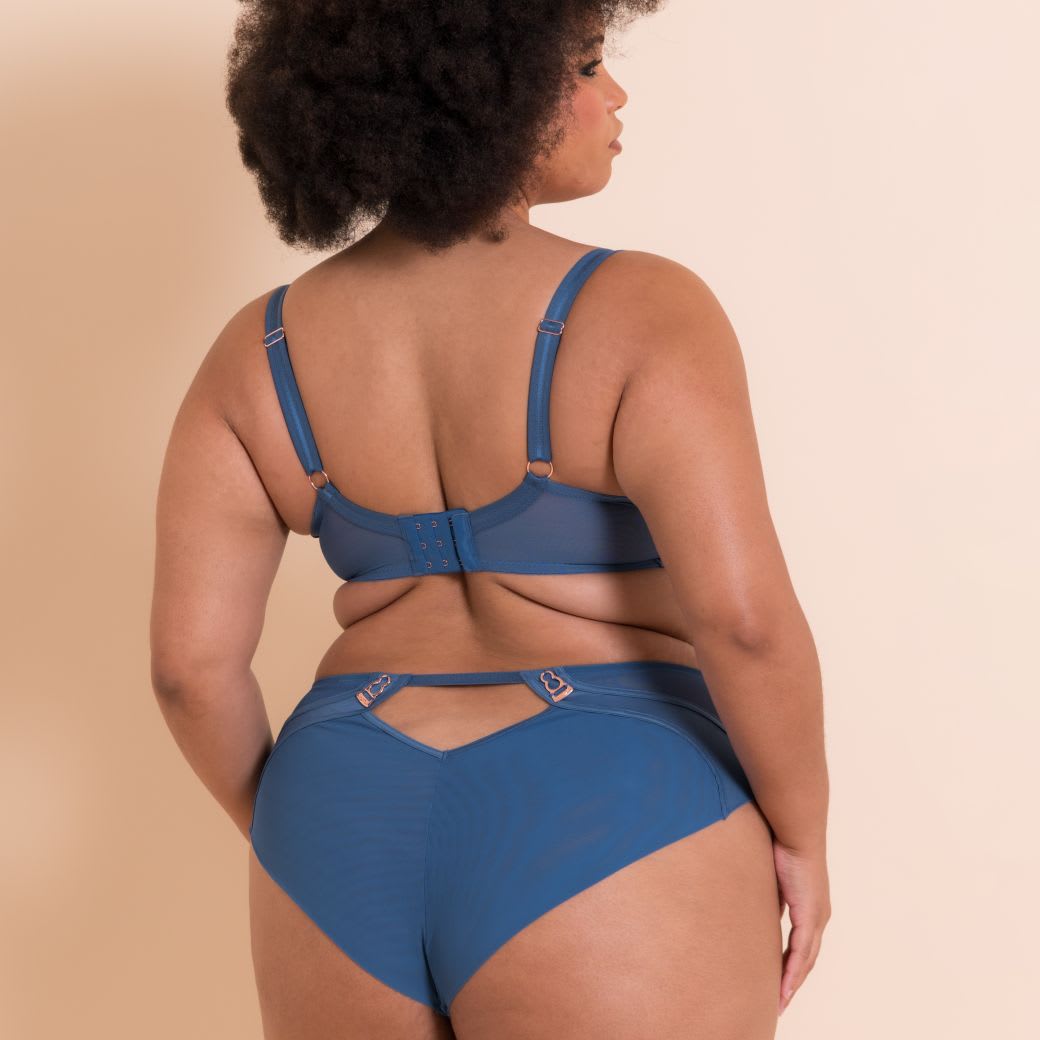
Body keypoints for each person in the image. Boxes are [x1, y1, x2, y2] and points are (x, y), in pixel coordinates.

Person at [150, 3, 831, 1037]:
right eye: (587, 65)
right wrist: (802, 835)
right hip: (605, 803)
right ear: (486, 91)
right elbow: (742, 621)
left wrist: (309, 835)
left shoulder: (255, 349)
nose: (615, 95)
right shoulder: (644, 308)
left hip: (338, 799)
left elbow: (188, 671)